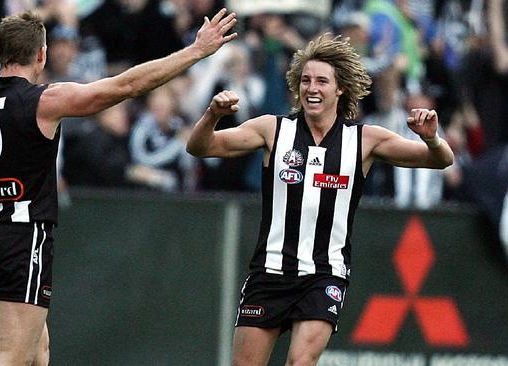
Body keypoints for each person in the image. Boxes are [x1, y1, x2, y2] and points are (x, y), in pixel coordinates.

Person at [0, 9, 237, 366]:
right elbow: (127, 85)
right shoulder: (44, 101)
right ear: (41, 54)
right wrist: (194, 52)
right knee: (10, 355)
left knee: (38, 354)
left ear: (0, 52)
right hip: (24, 237)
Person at [186, 34, 453, 366]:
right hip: (269, 273)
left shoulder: (364, 140)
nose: (312, 88)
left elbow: (442, 160)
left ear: (339, 88)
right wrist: (212, 114)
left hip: (324, 274)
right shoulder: (272, 130)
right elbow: (199, 147)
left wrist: (431, 139)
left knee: (300, 362)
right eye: (306, 80)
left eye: (322, 81)